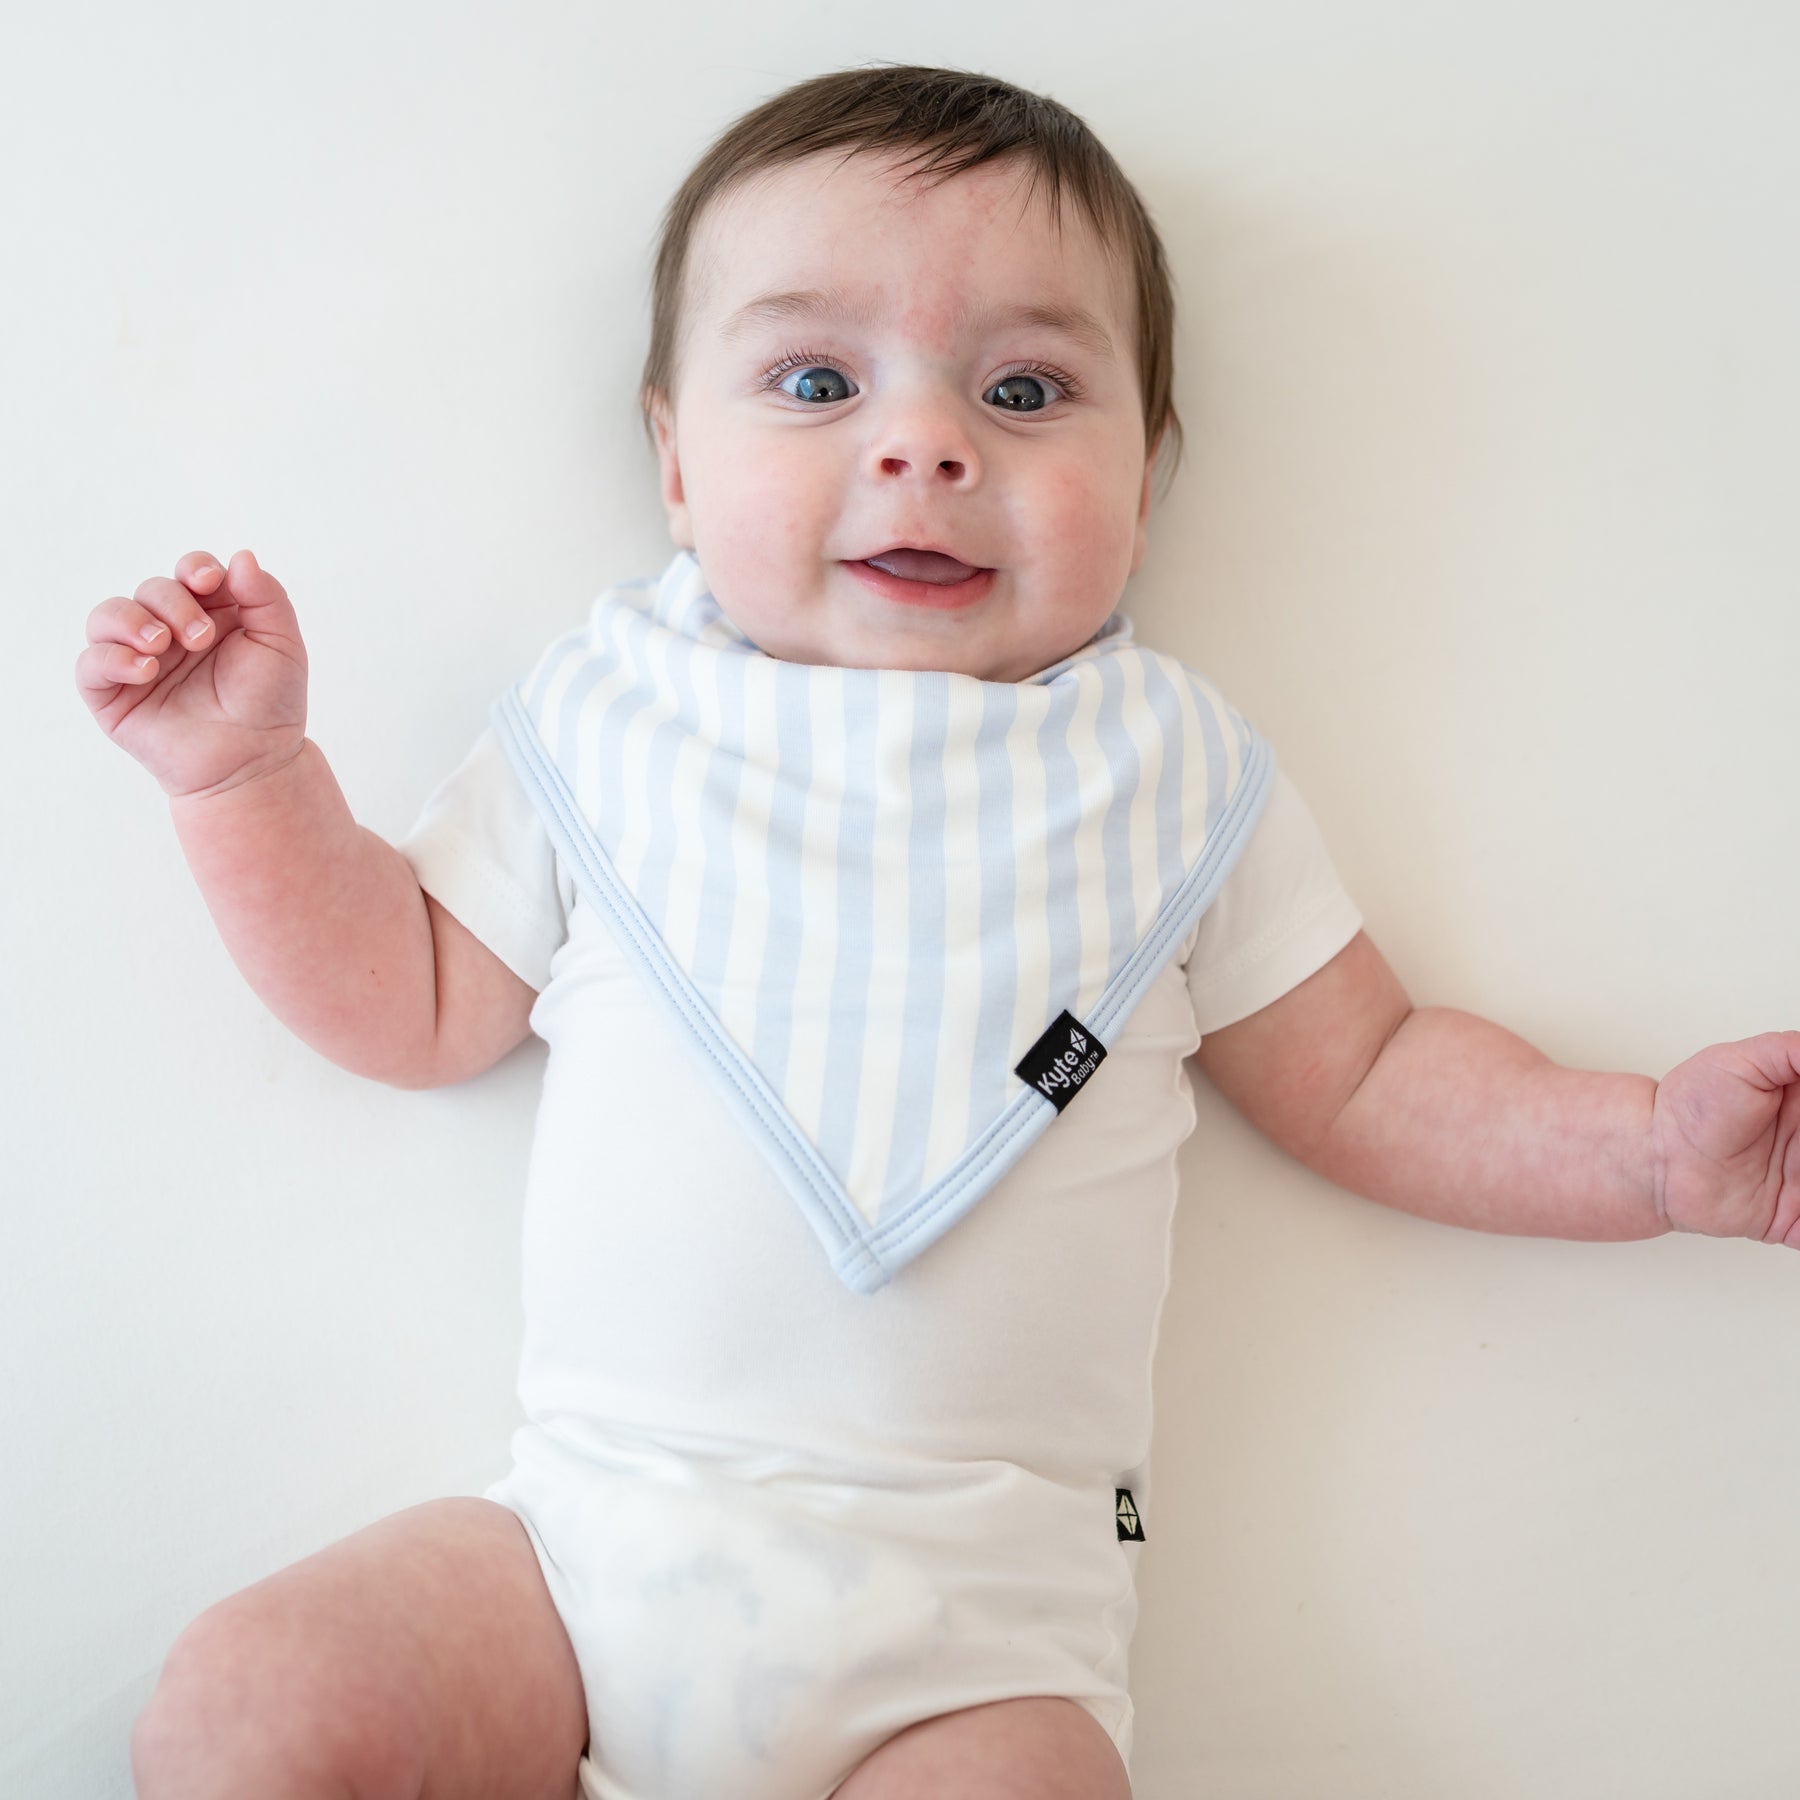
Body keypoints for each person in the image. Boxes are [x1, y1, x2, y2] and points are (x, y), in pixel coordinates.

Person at [77, 62, 1798, 1800]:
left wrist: (1650, 1152)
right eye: (816, 380)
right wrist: (248, 783)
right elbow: (414, 1000)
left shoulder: (1171, 776)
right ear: (677, 463)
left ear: (1150, 474)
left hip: (976, 1645)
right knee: (248, 1709)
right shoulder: (613, 720)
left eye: (1028, 389)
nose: (925, 442)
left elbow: (1370, 1073)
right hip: (585, 1561)